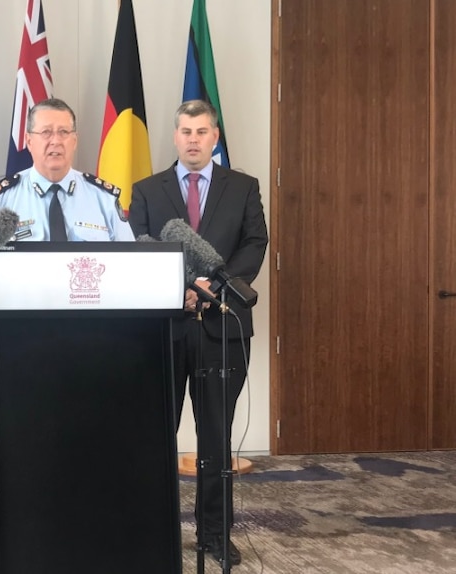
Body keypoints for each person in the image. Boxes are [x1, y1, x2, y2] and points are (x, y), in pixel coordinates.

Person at [129, 99, 268, 566]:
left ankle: (214, 535)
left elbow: (255, 242)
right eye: (185, 131)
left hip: (222, 329)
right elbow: (137, 246)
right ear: (174, 136)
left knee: (215, 441)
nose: (193, 138)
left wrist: (212, 284)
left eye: (202, 131)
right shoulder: (147, 191)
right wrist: (179, 288)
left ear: (214, 137)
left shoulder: (243, 187)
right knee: (154, 438)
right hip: (162, 333)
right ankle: (154, 531)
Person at [0, 97, 134, 290]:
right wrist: (11, 309)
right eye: (46, 132)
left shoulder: (103, 198)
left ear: (74, 140)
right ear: (29, 141)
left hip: (91, 315)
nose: (56, 141)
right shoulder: (0, 200)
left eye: (63, 132)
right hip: (22, 316)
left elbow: (130, 262)